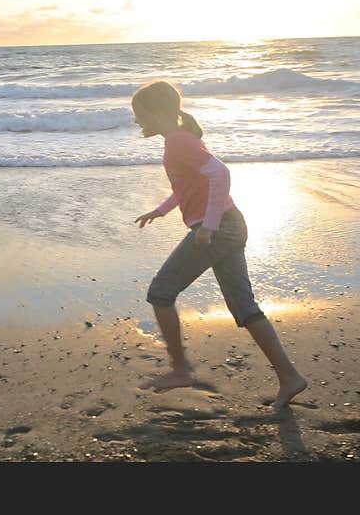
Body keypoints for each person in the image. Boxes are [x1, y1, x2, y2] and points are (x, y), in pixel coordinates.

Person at [131, 80, 307, 410]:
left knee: (161, 292)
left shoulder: (178, 142)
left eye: (138, 113)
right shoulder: (180, 140)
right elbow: (189, 185)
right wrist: (161, 210)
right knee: (244, 307)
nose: (136, 120)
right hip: (229, 224)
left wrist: (208, 226)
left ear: (156, 112)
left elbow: (220, 174)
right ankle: (290, 377)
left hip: (218, 229)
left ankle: (181, 369)